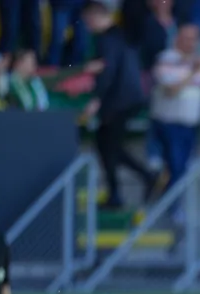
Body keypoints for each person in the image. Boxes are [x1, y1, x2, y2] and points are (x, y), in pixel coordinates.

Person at [81, 0, 161, 209]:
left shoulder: (107, 39)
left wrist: (97, 98)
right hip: (129, 98)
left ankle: (128, 187)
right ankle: (126, 187)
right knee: (106, 144)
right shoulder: (121, 35)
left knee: (107, 144)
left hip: (119, 100)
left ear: (95, 17)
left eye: (88, 22)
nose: (88, 27)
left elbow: (109, 70)